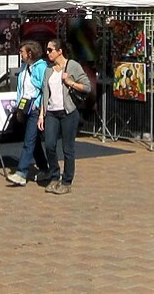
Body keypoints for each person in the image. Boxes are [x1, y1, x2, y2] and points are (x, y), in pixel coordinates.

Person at [39, 38, 91, 195]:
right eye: (47, 50)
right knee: (49, 145)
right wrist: (42, 114)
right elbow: (44, 93)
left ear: (59, 51)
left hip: (68, 112)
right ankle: (54, 175)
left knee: (67, 148)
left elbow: (87, 86)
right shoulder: (48, 70)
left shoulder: (72, 66)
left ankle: (67, 180)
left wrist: (70, 82)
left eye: (50, 50)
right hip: (52, 113)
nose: (47, 53)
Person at [6, 41, 51, 186]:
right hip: (25, 107)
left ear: (30, 53)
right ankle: (44, 168)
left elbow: (44, 89)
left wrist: (39, 110)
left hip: (35, 109)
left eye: (22, 52)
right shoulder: (25, 67)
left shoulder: (41, 68)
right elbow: (21, 89)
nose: (20, 54)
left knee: (29, 141)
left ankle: (21, 172)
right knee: (34, 141)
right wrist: (20, 108)